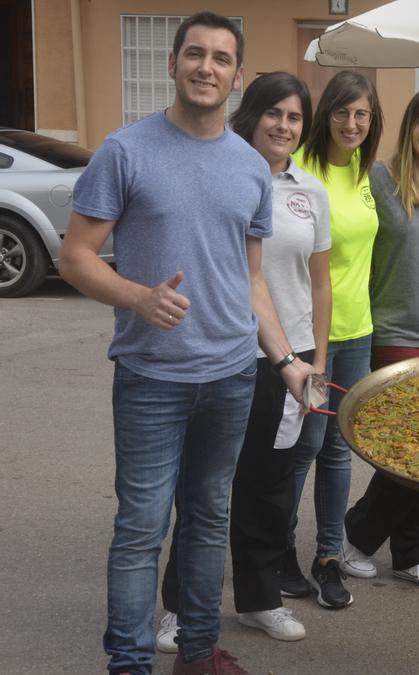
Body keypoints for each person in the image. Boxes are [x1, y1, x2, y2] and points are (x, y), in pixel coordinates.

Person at [59, 12, 314, 674]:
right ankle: (130, 663)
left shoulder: (251, 167)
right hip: (152, 376)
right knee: (141, 529)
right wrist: (138, 296)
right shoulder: (125, 151)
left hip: (231, 375)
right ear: (173, 65)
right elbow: (76, 256)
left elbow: (251, 277)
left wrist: (285, 360)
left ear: (235, 76)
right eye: (194, 54)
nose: (207, 66)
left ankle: (197, 655)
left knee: (207, 520)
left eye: (221, 58)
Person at [155, 71, 332, 652]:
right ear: (251, 114)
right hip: (229, 352)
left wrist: (317, 363)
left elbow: (320, 284)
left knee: (271, 486)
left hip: (294, 358)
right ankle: (180, 608)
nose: (284, 126)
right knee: (204, 490)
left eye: (295, 117)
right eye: (274, 113)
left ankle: (260, 600)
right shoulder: (223, 176)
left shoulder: (311, 192)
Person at [341, 84, 419, 591]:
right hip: (395, 330)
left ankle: (413, 553)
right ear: (408, 125)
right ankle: (355, 537)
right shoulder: (376, 178)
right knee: (409, 452)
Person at [284, 70, 383, 610]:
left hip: (357, 334)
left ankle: (328, 554)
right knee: (306, 447)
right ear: (326, 116)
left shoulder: (368, 172)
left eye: (362, 114)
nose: (352, 123)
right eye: (343, 112)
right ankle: (279, 554)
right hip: (311, 338)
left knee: (340, 448)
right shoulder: (303, 170)